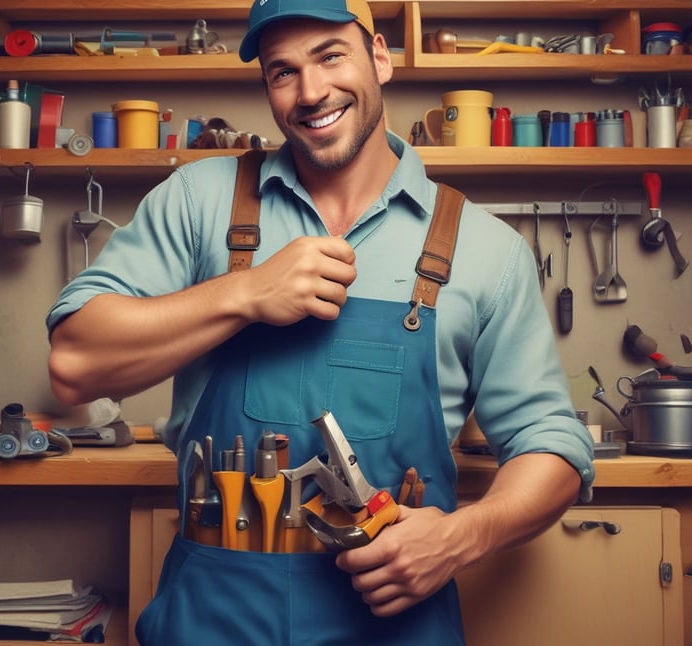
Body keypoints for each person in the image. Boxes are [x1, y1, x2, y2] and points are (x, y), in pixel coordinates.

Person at [47, 0, 594, 643]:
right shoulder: (198, 202)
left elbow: (552, 444)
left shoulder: (484, 249)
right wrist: (246, 293)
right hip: (211, 618)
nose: (311, 92)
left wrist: (459, 536)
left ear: (380, 58)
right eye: (283, 72)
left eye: (331, 55)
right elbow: (74, 364)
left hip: (395, 624)